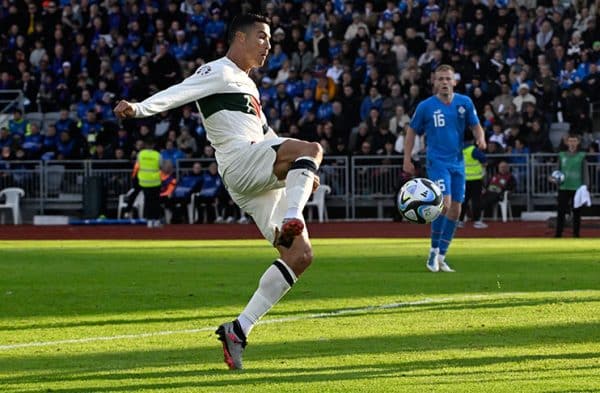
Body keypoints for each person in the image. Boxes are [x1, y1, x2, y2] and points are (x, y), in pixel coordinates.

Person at [114, 14, 323, 370]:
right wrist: (139, 108)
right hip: (241, 163)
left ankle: (238, 330)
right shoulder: (219, 71)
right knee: (313, 147)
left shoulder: (247, 85)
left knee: (300, 256)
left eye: (269, 40)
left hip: (252, 174)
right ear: (238, 38)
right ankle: (294, 216)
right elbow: (178, 92)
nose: (268, 46)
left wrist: (302, 171)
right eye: (261, 37)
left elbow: (268, 135)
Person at [403, 64, 486, 273]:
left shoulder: (464, 102)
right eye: (440, 79)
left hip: (458, 161)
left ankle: (442, 255)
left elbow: (475, 125)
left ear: (454, 82)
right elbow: (412, 132)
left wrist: (481, 137)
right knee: (444, 203)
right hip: (437, 161)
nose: (444, 83)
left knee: (457, 208)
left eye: (448, 79)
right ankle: (432, 250)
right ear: (434, 82)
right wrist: (407, 158)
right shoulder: (426, 106)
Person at [553, 134, 586, 238]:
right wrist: (554, 179)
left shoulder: (582, 155)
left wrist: (585, 186)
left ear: (578, 143)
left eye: (574, 141)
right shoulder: (561, 155)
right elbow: (557, 171)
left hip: (577, 188)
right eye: (570, 141)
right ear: (567, 142)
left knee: (577, 212)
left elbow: (585, 172)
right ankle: (558, 233)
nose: (572, 143)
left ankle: (576, 234)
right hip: (563, 187)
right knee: (561, 211)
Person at [458, 139, 487, 229]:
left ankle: (460, 221)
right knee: (476, 201)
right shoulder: (473, 149)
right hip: (475, 179)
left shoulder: (458, 149)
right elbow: (484, 160)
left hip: (463, 179)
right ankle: (477, 221)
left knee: (463, 201)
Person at [137, 138, 162, 228]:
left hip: (144, 182)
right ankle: (156, 220)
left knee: (148, 201)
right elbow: (161, 166)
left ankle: (149, 220)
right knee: (156, 202)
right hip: (155, 182)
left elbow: (137, 165)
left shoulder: (140, 154)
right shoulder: (157, 155)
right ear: (153, 145)